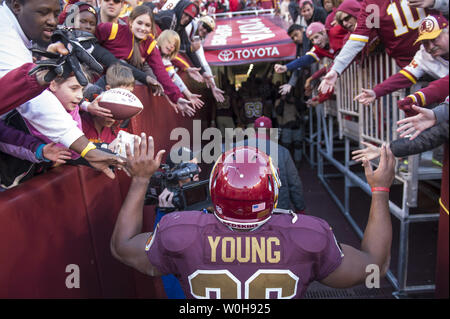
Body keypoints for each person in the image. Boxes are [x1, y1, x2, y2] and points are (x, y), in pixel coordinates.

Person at [110, 135, 396, 299]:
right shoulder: (310, 236)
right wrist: (381, 190)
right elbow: (375, 266)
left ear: (214, 187)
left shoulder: (179, 230)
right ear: (272, 192)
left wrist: (140, 181)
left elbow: (121, 246)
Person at [0, 0, 124, 179]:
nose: (52, 21)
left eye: (55, 13)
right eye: (43, 12)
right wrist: (87, 149)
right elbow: (35, 103)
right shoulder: (4, 34)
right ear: (17, 6)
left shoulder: (20, 33)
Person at [318, 0, 438, 94]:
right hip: (412, 69)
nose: (345, 23)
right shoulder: (372, 6)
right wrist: (336, 69)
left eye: (346, 18)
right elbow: (358, 39)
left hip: (442, 55)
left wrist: (436, 2)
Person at [95, 4, 195, 116]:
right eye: (139, 23)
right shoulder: (112, 29)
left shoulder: (149, 44)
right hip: (96, 77)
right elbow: (90, 45)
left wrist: (177, 98)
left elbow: (161, 72)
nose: (143, 28)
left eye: (147, 25)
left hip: (116, 86)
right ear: (131, 22)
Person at [354, 15, 449, 109]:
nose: (431, 46)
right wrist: (376, 92)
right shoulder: (424, 54)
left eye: (434, 39)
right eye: (425, 43)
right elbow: (405, 76)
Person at [235, 115, 306, 213]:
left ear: (254, 130)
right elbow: (294, 183)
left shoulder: (236, 148)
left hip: (243, 207)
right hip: (277, 208)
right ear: (271, 131)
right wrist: (300, 207)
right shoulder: (282, 151)